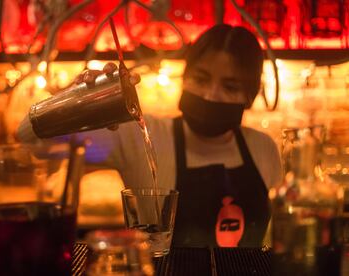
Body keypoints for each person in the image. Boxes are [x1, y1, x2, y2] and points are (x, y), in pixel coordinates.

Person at [20, 24, 282, 248]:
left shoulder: (263, 148)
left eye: (230, 86)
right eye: (200, 79)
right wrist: (73, 100)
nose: (211, 95)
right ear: (184, 77)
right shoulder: (142, 136)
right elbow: (30, 141)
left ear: (251, 96)